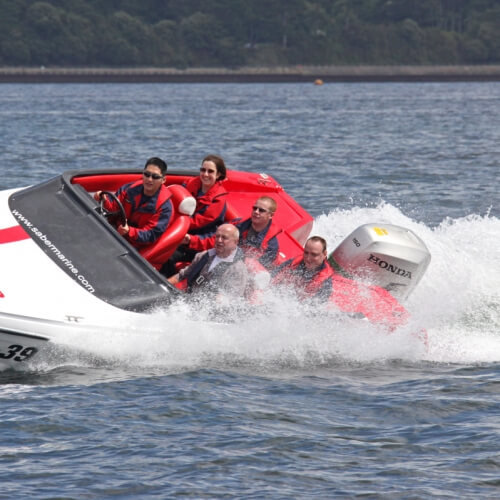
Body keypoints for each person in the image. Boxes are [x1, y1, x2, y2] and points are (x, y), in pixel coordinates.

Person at [161, 154, 228, 276]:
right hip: (180, 232)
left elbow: (197, 222)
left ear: (218, 175)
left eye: (210, 171)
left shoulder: (218, 199)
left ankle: (166, 286)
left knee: (167, 256)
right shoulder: (191, 184)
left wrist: (172, 224)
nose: (205, 174)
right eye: (203, 170)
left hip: (198, 242)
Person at [93, 157, 172, 250]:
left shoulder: (165, 207)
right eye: (147, 174)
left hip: (135, 248)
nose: (149, 179)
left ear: (163, 180)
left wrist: (129, 231)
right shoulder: (129, 189)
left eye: (155, 177)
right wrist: (104, 199)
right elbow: (113, 208)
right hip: (116, 233)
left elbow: (151, 235)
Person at [182, 196, 281, 269]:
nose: (256, 212)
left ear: (270, 215)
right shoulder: (238, 225)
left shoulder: (271, 246)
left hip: (239, 273)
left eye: (261, 210)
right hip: (222, 260)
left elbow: (261, 272)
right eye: (255, 208)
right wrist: (191, 240)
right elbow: (214, 241)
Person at [168, 223, 248, 299]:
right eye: (217, 236)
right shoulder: (203, 255)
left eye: (224, 237)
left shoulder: (238, 269)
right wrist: (163, 284)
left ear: (236, 242)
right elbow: (182, 275)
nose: (219, 240)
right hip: (189, 298)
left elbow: (232, 300)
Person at [272, 236, 333, 301]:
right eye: (306, 253)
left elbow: (313, 308)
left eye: (314, 255)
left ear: (324, 254)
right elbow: (273, 275)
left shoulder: (325, 284)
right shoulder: (294, 262)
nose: (308, 258)